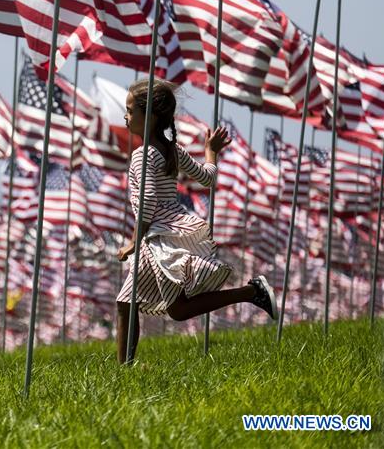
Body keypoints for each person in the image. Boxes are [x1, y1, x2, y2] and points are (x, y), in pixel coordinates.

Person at [115, 79, 277, 364]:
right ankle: (252, 292)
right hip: (169, 230)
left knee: (143, 306)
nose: (125, 117)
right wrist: (211, 151)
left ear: (150, 116)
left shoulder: (143, 155)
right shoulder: (171, 150)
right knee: (145, 305)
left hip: (156, 238)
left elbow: (147, 201)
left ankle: (252, 291)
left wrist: (133, 242)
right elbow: (207, 178)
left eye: (130, 111)